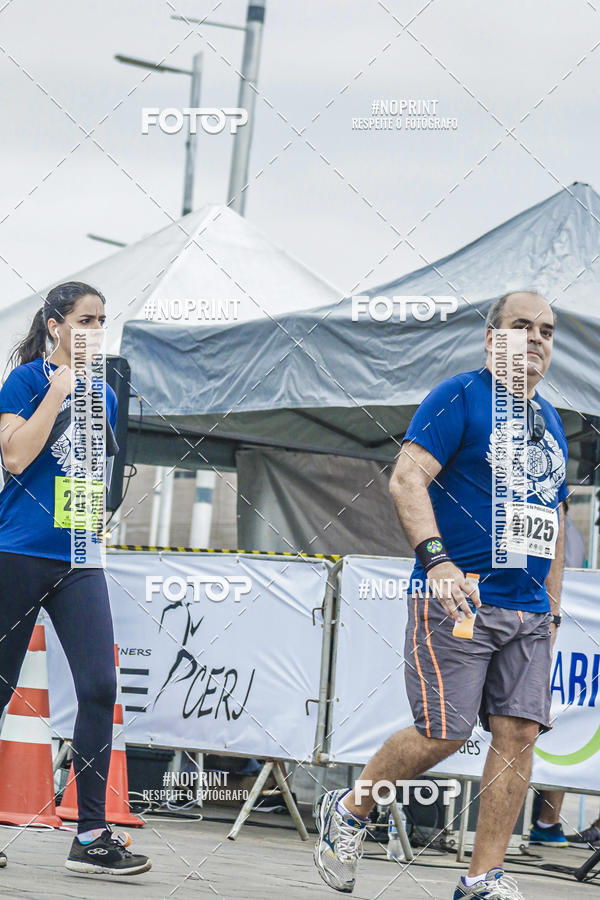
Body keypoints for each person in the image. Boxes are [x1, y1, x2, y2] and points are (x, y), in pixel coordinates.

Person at [313, 291, 567, 899]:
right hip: (460, 599)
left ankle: (483, 879)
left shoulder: (551, 419)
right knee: (445, 733)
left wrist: (552, 609)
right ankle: (349, 809)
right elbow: (406, 479)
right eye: (521, 327)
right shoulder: (460, 396)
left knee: (517, 737)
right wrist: (439, 563)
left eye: (548, 332)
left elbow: (553, 519)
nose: (536, 339)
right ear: (490, 338)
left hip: (528, 609)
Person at [0, 282, 151, 875]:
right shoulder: (25, 381)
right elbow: (15, 458)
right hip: (16, 552)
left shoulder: (106, 396)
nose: (95, 330)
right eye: (85, 319)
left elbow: (96, 478)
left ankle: (90, 834)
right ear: (55, 324)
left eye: (103, 321)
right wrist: (59, 390)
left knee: (98, 685)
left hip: (79, 558)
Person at [529, 498, 589, 849]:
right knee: (544, 723)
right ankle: (545, 822)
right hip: (545, 627)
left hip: (554, 629)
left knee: (561, 723)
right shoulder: (569, 529)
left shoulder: (567, 530)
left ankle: (546, 822)